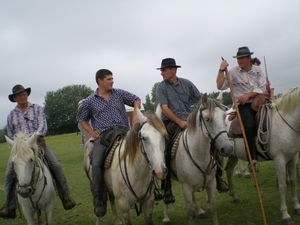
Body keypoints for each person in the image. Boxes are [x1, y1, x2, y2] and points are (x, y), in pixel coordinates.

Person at [156, 58, 228, 204]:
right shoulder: (161, 87)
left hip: (190, 120)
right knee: (165, 148)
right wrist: (179, 122)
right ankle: (167, 185)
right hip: (171, 122)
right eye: (161, 70)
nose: (161, 73)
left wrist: (209, 110)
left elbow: (200, 101)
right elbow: (164, 108)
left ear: (173, 70)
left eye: (164, 70)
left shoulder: (187, 84)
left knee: (212, 141)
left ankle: (218, 176)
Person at [0, 84, 75, 219]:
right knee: (9, 174)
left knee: (55, 165)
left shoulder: (38, 109)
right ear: (15, 98)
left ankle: (65, 196)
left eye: (24, 94)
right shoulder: (11, 115)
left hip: (38, 144)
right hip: (20, 149)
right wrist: (20, 144)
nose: (22, 96)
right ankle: (10, 206)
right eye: (19, 95)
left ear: (27, 95)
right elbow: (10, 133)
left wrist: (33, 140)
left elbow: (42, 126)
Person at [76, 69, 141, 217]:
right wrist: (92, 132)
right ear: (100, 81)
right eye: (109, 79)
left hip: (124, 132)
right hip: (104, 136)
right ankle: (99, 200)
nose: (112, 81)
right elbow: (81, 119)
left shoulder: (118, 93)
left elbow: (136, 99)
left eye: (112, 78)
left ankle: (152, 188)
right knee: (96, 164)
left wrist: (135, 114)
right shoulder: (89, 101)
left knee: (145, 151)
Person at [216, 47, 267, 173]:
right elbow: (219, 86)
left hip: (259, 101)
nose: (239, 61)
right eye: (238, 58)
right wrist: (221, 70)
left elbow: (262, 87)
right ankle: (252, 159)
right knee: (248, 126)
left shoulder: (258, 70)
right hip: (244, 105)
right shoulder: (232, 72)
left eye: (242, 58)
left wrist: (249, 94)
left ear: (249, 58)